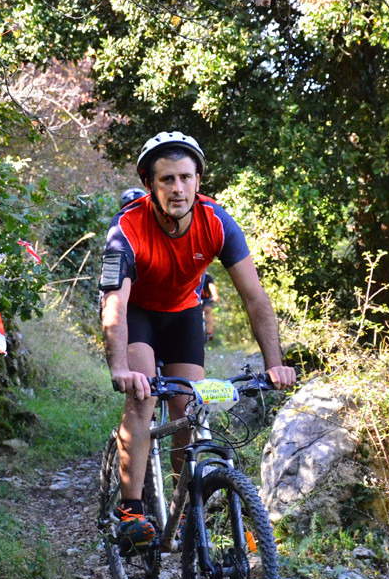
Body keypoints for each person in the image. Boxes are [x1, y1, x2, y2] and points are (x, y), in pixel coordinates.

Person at [100, 130, 295, 550]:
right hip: (139, 314)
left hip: (183, 314)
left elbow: (255, 299)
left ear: (198, 180)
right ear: (150, 184)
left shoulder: (218, 223)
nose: (178, 188)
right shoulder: (126, 228)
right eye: (167, 179)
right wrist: (120, 368)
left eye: (186, 178)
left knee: (188, 408)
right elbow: (115, 303)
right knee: (142, 395)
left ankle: (184, 507)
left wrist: (274, 362)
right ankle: (132, 511)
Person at [200, 271, 220, 343]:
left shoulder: (207, 277)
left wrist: (215, 295)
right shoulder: (193, 275)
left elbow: (211, 286)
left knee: (207, 311)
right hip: (195, 300)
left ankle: (209, 332)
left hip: (206, 299)